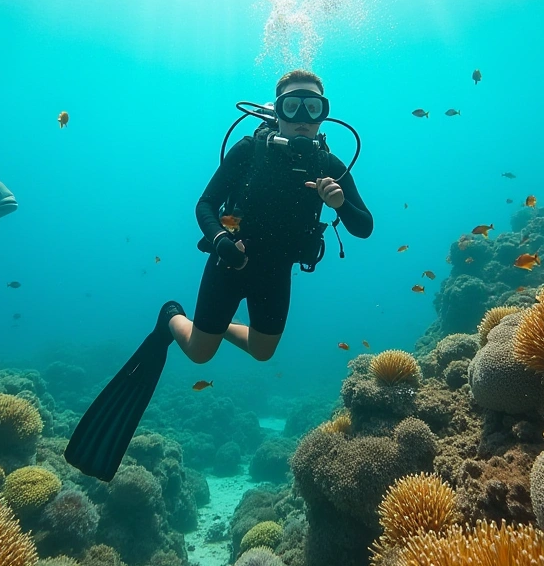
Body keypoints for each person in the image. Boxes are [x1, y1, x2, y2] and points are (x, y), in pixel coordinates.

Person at [65, 69, 373, 481]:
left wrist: (339, 203)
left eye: (313, 107)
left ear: (323, 116)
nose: (302, 115)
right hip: (230, 264)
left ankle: (219, 326)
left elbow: (364, 226)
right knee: (199, 353)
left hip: (275, 272)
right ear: (276, 111)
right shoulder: (250, 151)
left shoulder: (329, 165)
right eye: (292, 105)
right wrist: (220, 241)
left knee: (264, 352)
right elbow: (206, 205)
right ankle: (171, 317)